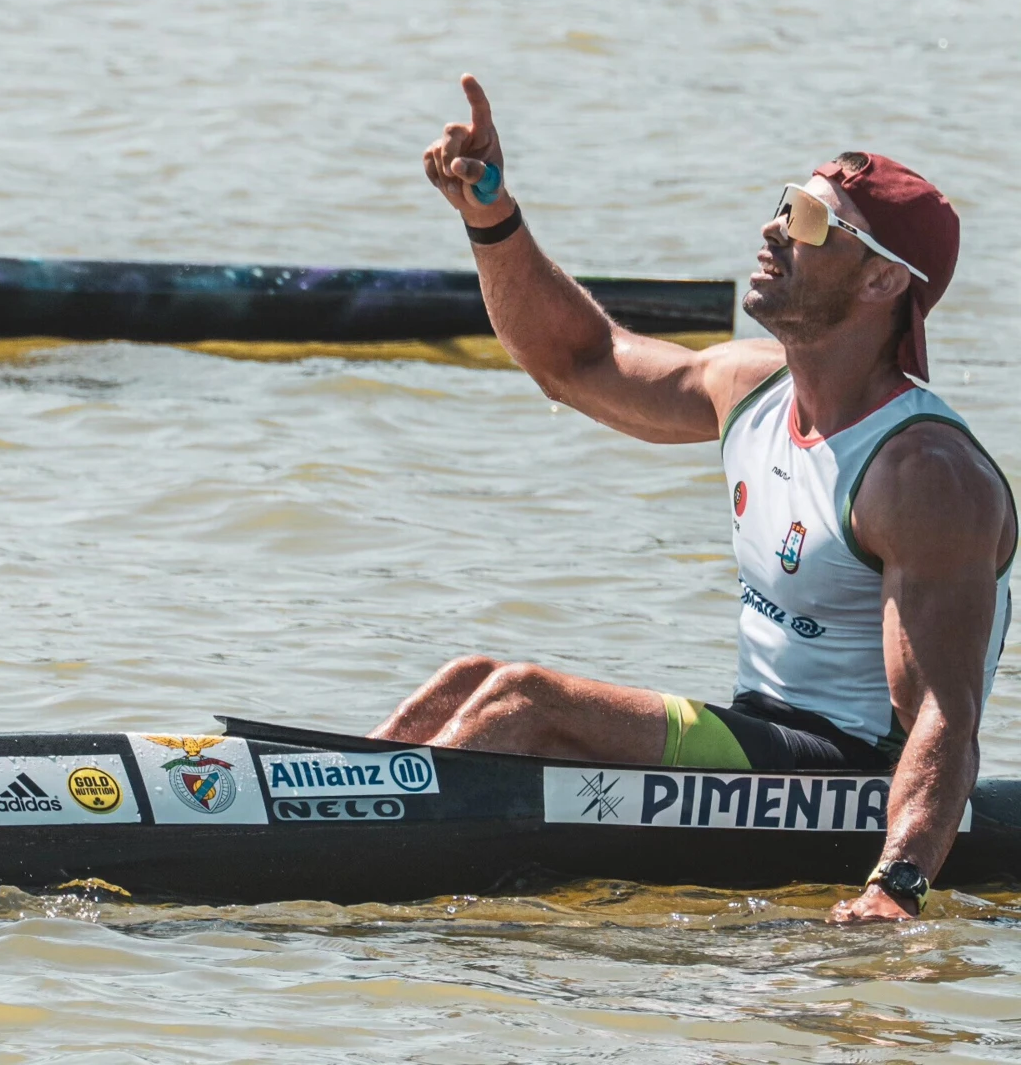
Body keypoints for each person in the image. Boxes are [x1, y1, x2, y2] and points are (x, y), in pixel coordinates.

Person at [370, 75, 1016, 923]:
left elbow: (942, 713)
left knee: (523, 702)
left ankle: (344, 860)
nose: (775, 228)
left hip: (851, 774)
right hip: (761, 734)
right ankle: (318, 806)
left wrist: (897, 885)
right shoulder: (751, 387)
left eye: (813, 223)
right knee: (472, 682)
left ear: (881, 286)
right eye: (786, 204)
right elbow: (579, 361)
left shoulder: (923, 474)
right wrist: (492, 219)